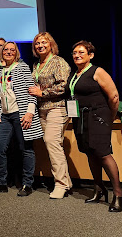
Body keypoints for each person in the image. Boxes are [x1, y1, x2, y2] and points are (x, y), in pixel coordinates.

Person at [66, 40, 122, 212]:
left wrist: (110, 117)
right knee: (90, 153)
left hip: (98, 116)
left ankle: (119, 194)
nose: (77, 55)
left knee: (103, 154)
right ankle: (99, 188)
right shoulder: (74, 74)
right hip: (81, 117)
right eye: (75, 52)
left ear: (90, 55)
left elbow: (114, 97)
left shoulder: (97, 71)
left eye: (81, 52)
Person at [0, 41, 43, 196]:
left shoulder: (22, 67)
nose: (8, 52)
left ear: (16, 52)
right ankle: (1, 182)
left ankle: (27, 184)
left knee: (26, 148)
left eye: (11, 50)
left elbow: (31, 91)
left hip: (20, 113)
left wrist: (30, 113)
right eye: (5, 49)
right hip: (4, 116)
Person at [28, 32, 72, 199]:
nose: (40, 46)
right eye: (37, 43)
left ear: (51, 44)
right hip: (42, 110)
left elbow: (63, 87)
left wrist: (42, 92)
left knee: (52, 142)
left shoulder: (59, 62)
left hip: (57, 108)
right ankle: (66, 182)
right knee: (53, 145)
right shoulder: (36, 64)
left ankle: (60, 185)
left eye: (43, 42)